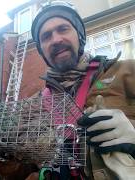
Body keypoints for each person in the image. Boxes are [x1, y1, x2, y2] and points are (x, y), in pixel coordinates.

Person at [28, 1, 135, 179]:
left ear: (79, 35)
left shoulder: (127, 71)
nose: (56, 39)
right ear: (41, 50)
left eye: (63, 29)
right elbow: (24, 169)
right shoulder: (33, 105)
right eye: (46, 36)